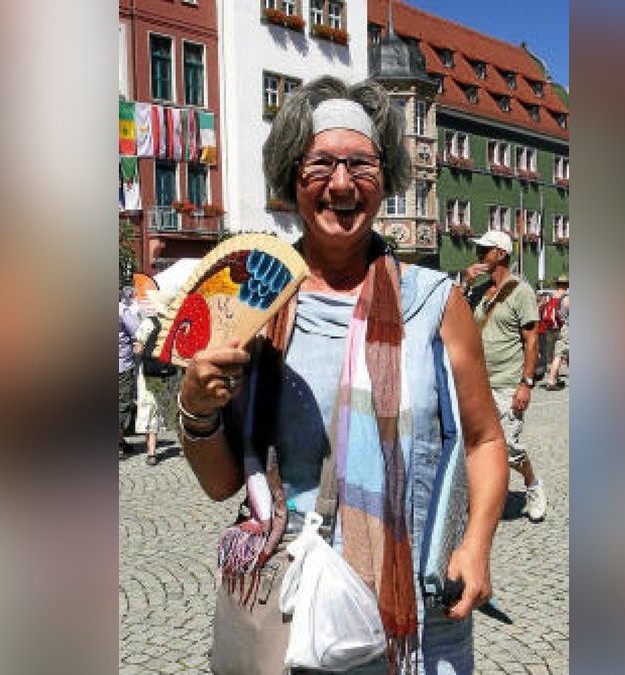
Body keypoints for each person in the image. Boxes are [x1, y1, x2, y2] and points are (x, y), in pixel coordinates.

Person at [175, 76, 509, 673]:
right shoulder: (256, 303)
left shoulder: (434, 302)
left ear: (385, 177)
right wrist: (196, 408)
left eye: (361, 164)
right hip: (292, 598)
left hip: (413, 605)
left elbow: (484, 438)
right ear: (290, 178)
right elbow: (224, 483)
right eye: (320, 164)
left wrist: (477, 543)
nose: (340, 184)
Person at [461, 230, 548, 523]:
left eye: (485, 250)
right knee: (475, 444)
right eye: (479, 250)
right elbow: (456, 319)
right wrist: (465, 283)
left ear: (501, 254)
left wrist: (526, 383)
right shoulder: (477, 290)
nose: (479, 255)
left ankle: (533, 485)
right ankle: (485, 499)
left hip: (507, 382)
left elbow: (532, 341)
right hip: (475, 382)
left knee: (509, 447)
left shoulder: (521, 291)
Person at [134, 289, 180, 465]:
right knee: (174, 408)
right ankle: (184, 448)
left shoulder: (149, 322)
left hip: (149, 376)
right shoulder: (176, 323)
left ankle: (152, 453)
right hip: (171, 373)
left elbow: (138, 348)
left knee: (150, 409)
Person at [119, 286, 143, 457]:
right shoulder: (121, 310)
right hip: (122, 366)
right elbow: (137, 331)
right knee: (123, 405)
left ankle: (121, 442)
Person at [539, 274, 569, 387]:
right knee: (559, 355)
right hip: (561, 328)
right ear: (566, 285)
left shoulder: (550, 296)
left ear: (557, 284)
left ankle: (556, 378)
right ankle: (551, 381)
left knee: (551, 354)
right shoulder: (566, 297)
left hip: (549, 327)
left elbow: (541, 308)